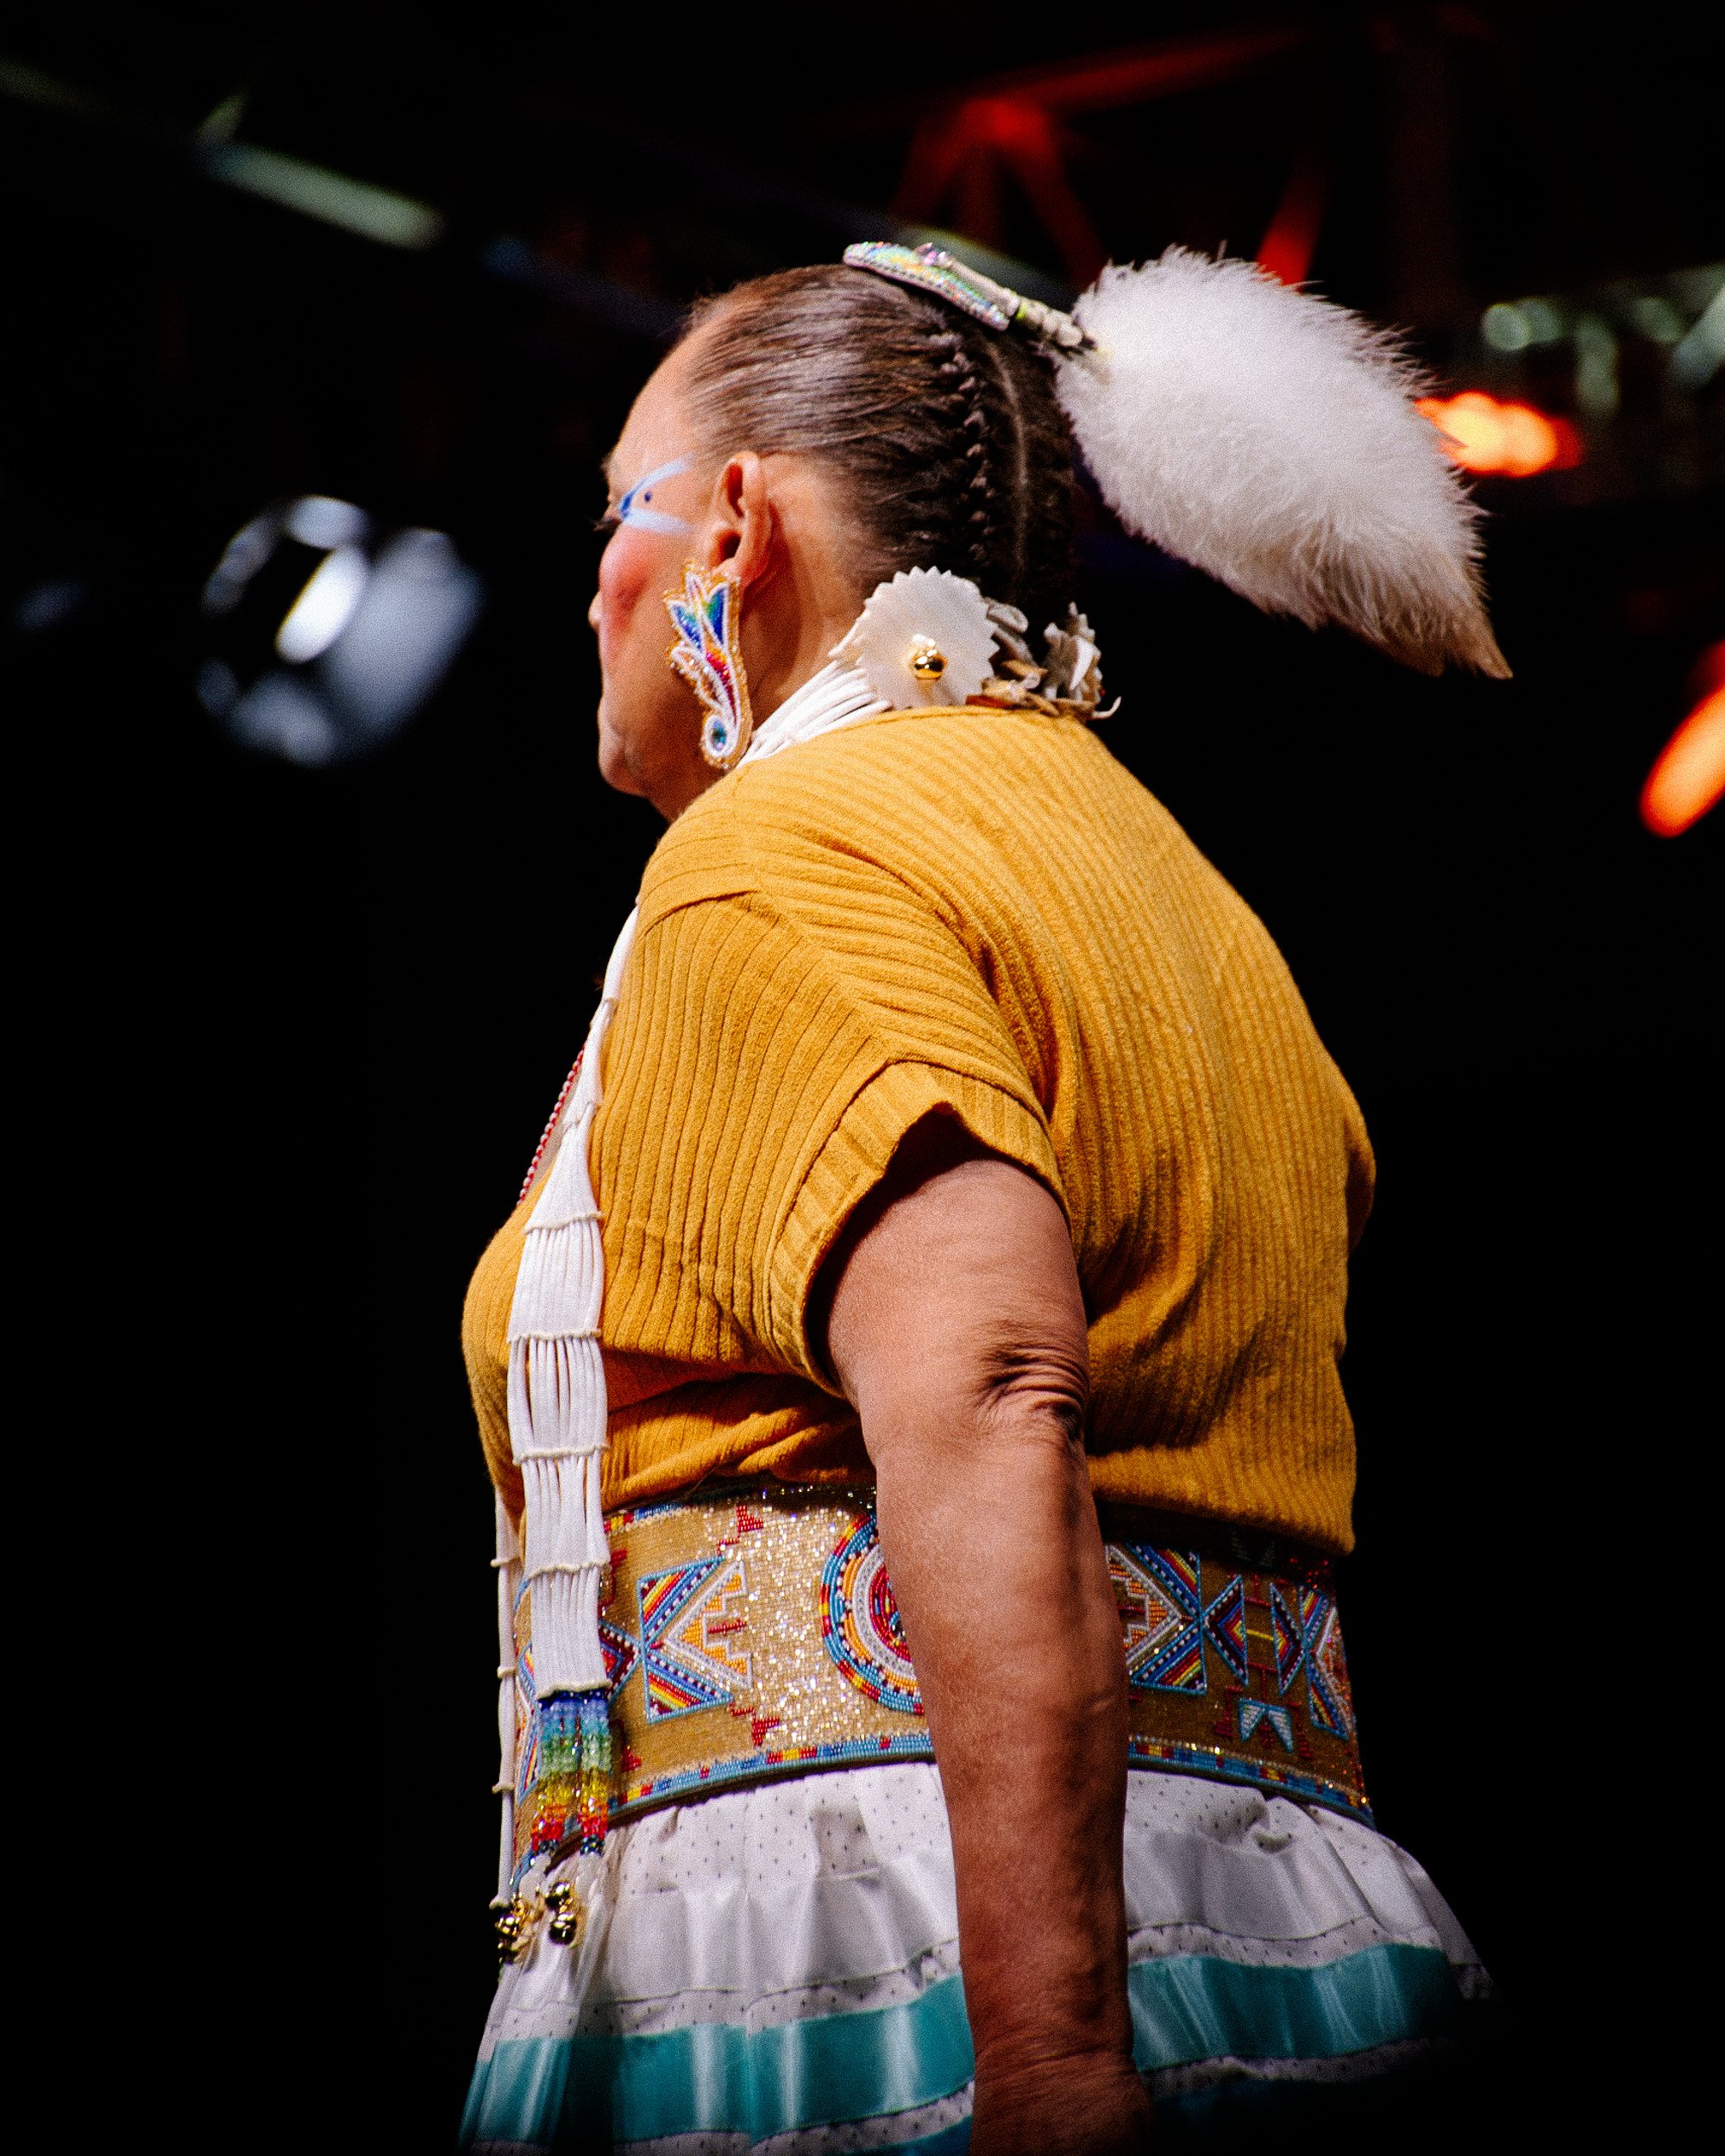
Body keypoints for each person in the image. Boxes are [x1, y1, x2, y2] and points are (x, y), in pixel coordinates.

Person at [459, 245, 1503, 2154]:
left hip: (892, 1936)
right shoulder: (1178, 883)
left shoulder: (778, 856)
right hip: (1283, 1916)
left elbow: (992, 1380)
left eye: (623, 500)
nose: (592, 572)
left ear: (735, 529)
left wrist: (1042, 2066)